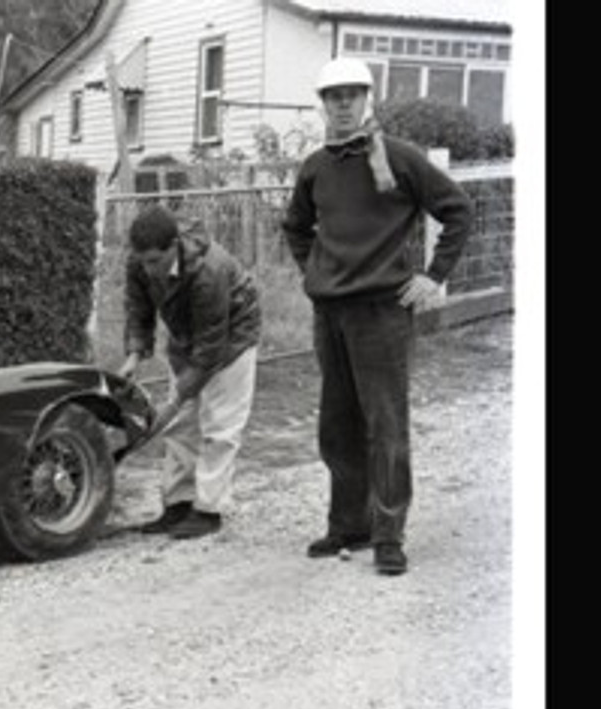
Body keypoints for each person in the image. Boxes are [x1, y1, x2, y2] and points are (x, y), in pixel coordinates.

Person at [281, 57, 473, 575]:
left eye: (352, 94)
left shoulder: (401, 159)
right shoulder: (317, 166)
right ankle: (350, 525)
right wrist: (313, 270)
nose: (342, 104)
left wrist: (433, 276)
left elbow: (458, 209)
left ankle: (390, 534)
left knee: (385, 424)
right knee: (338, 425)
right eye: (332, 96)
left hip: (383, 313)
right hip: (331, 312)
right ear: (322, 104)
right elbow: (296, 227)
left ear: (367, 100)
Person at [118, 207, 261, 540]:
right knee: (180, 424)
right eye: (143, 261)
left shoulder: (209, 271)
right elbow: (138, 308)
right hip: (186, 334)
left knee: (220, 424)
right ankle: (178, 504)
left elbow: (210, 350)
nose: (148, 269)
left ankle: (209, 509)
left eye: (155, 261)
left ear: (173, 247)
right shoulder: (139, 262)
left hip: (233, 335)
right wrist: (134, 355)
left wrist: (179, 396)